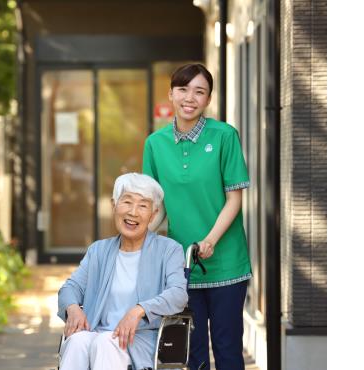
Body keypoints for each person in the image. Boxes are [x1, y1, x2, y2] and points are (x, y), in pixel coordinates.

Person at [142, 63, 252, 370]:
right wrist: (141, 238)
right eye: (183, 89)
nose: (190, 97)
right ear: (171, 94)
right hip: (181, 265)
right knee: (190, 352)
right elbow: (157, 205)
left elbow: (234, 199)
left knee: (228, 348)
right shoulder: (155, 144)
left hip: (226, 261)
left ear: (208, 99)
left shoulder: (224, 136)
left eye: (199, 91)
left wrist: (210, 240)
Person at [57, 173, 188, 370]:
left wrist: (139, 310)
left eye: (143, 206)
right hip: (98, 333)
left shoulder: (169, 250)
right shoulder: (99, 251)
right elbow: (70, 287)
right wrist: (73, 307)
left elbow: (178, 294)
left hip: (141, 339)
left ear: (153, 214)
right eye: (127, 202)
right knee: (76, 341)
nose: (133, 212)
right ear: (114, 205)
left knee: (105, 343)